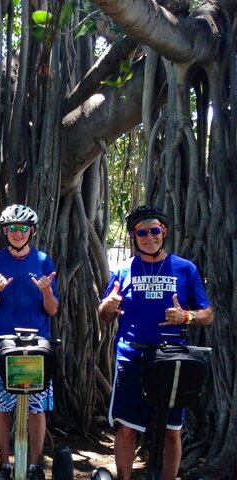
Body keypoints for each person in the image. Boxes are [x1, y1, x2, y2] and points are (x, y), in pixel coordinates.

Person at [98, 205, 213, 480]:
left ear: (164, 232)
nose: (149, 237)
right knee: (127, 428)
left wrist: (185, 316)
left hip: (172, 360)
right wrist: (109, 306)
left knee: (172, 430)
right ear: (133, 237)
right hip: (131, 358)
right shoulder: (123, 270)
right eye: (141, 232)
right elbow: (103, 315)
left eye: (154, 230)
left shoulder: (186, 269)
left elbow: (207, 314)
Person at [0, 204, 58, 480]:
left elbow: (53, 310)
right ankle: (4, 464)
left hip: (37, 348)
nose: (18, 233)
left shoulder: (44, 261)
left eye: (23, 228)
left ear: (31, 231)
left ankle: (35, 466)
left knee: (36, 409)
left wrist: (47, 292)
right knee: (1, 407)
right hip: (1, 346)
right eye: (12, 228)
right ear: (4, 232)